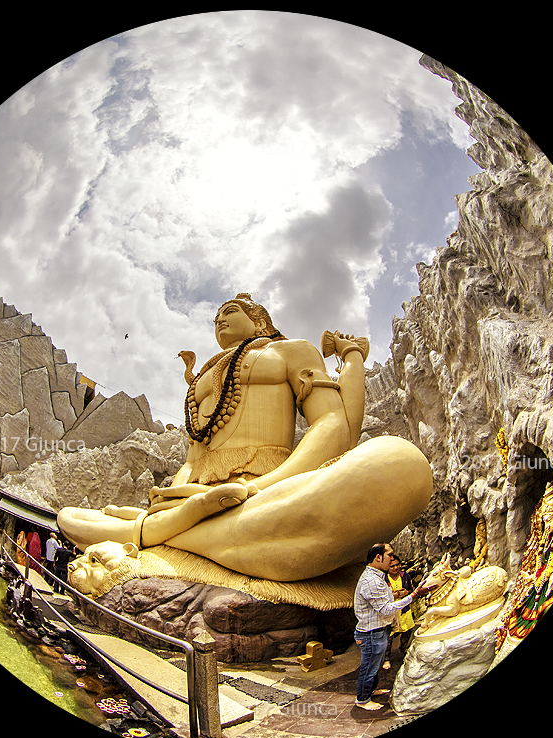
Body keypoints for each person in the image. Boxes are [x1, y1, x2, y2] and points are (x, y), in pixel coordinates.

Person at [58, 294, 433, 583]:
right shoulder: (205, 379)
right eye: (215, 317)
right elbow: (192, 457)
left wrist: (260, 488)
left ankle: (153, 533)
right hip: (199, 500)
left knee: (401, 465)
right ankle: (175, 525)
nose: (219, 319)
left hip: (266, 494)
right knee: (68, 515)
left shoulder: (292, 350)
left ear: (258, 319)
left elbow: (334, 425)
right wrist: (171, 501)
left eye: (229, 311)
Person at [353, 543, 430, 710]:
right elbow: (386, 608)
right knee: (369, 667)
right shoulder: (371, 581)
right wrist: (415, 595)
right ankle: (362, 700)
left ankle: (370, 691)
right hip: (371, 633)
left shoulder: (378, 576)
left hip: (379, 630)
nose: (393, 559)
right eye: (390, 555)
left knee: (374, 665)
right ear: (378, 558)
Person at [384, 556, 415, 668]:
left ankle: (403, 648)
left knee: (408, 629)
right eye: (392, 566)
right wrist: (392, 595)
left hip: (404, 609)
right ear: (387, 567)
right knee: (389, 635)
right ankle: (386, 658)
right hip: (391, 611)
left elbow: (412, 590)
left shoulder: (405, 576)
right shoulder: (384, 579)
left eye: (397, 565)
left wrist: (407, 592)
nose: (396, 567)